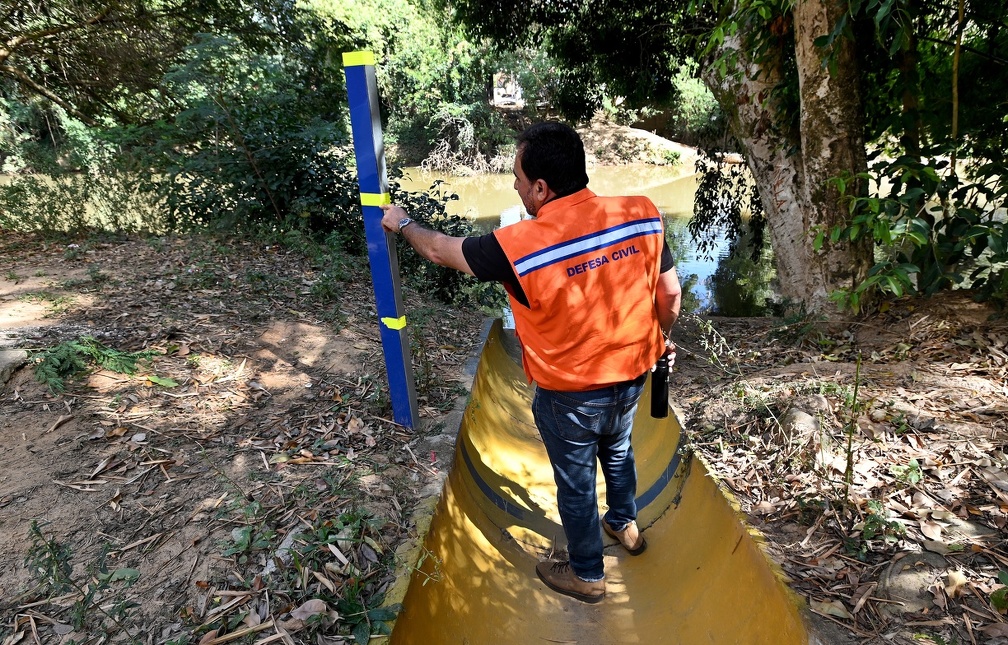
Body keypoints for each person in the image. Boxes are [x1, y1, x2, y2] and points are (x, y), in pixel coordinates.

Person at [380, 121, 681, 603]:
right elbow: (670, 294)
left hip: (569, 396)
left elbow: (439, 250)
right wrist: (659, 338)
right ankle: (626, 526)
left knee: (576, 484)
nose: (515, 188)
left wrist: (402, 224)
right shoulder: (642, 214)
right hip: (632, 376)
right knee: (619, 449)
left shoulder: (517, 245)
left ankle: (588, 575)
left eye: (518, 179)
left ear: (541, 188)